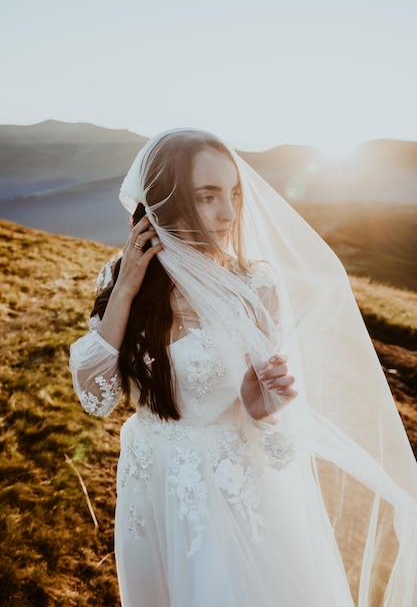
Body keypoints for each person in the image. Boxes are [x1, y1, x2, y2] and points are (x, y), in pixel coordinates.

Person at [70, 129, 417, 607]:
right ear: (165, 201)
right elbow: (96, 396)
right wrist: (126, 290)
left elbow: (274, 439)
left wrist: (260, 410)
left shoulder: (254, 286)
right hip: (148, 478)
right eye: (207, 196)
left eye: (232, 195)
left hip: (230, 485)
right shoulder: (120, 277)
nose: (229, 213)